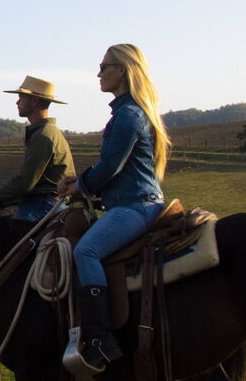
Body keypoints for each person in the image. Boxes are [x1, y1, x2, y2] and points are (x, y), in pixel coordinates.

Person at [54, 43, 171, 374]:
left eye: (104, 67)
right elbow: (111, 167)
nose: (99, 73)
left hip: (135, 207)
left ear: (122, 70)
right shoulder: (129, 112)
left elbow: (110, 168)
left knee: (86, 252)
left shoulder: (128, 115)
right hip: (132, 202)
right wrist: (82, 179)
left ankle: (98, 338)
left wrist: (80, 185)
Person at [0, 76, 73, 222]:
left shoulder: (43, 136)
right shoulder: (48, 132)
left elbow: (25, 183)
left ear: (35, 101)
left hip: (41, 206)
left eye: (21, 97)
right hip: (51, 203)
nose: (17, 102)